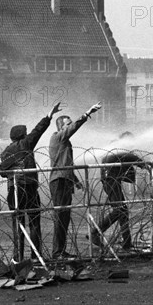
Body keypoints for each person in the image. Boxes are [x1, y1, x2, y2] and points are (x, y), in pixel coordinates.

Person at [0, 102, 62, 263]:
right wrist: (49, 116)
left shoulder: (5, 152)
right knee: (34, 223)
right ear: (21, 136)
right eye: (25, 133)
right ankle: (36, 256)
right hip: (29, 188)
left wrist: (12, 173)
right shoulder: (26, 144)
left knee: (18, 225)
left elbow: (2, 172)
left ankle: (18, 257)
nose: (28, 135)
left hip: (14, 190)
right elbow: (38, 131)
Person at [49, 102, 101, 259]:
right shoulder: (58, 138)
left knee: (64, 217)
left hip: (64, 180)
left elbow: (66, 164)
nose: (71, 126)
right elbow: (73, 128)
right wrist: (86, 114)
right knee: (60, 217)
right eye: (68, 124)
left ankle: (60, 251)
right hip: (59, 181)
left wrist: (76, 181)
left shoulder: (63, 141)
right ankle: (57, 252)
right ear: (61, 127)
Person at [90, 133, 152, 251]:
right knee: (120, 209)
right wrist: (143, 165)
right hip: (111, 180)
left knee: (122, 211)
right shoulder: (119, 147)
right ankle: (95, 231)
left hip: (112, 180)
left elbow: (129, 157)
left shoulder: (116, 147)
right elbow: (131, 157)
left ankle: (127, 242)